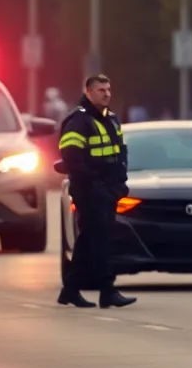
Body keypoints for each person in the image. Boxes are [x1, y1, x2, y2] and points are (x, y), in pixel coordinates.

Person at [56, 74, 137, 310]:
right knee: (100, 240)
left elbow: (119, 154)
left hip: (108, 190)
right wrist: (95, 186)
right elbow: (72, 159)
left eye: (108, 89)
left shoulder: (112, 119)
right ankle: (107, 290)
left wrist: (120, 183)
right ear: (88, 92)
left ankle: (70, 290)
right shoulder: (79, 121)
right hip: (89, 191)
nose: (107, 94)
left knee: (90, 239)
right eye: (101, 90)